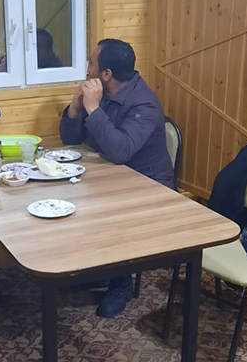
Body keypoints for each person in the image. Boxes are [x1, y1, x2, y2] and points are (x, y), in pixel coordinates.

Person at [59, 39, 175, 318]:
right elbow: (70, 139)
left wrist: (94, 109)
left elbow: (121, 151)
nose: (87, 69)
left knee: (108, 213)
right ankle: (97, 269)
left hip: (149, 187)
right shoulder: (104, 92)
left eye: (91, 63)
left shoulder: (144, 103)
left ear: (107, 74)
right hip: (114, 176)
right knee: (73, 198)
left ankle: (120, 283)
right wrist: (75, 107)